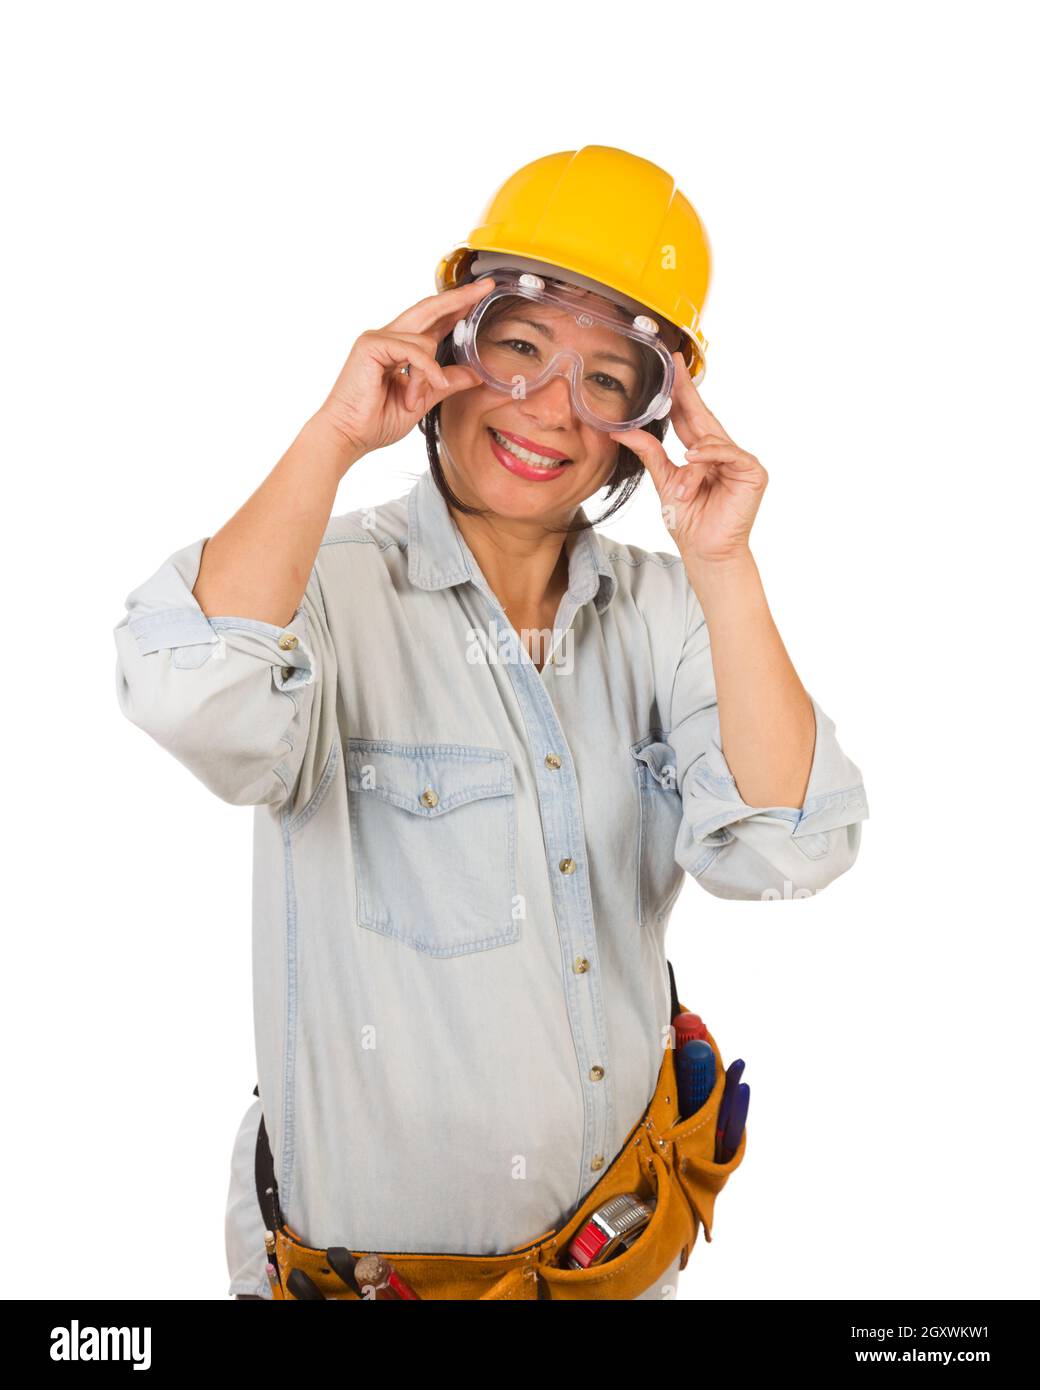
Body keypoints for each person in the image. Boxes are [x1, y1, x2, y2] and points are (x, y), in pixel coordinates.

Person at [112, 145, 868, 1301]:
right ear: (451, 346)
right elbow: (184, 692)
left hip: (617, 1273)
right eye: (518, 347)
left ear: (644, 415)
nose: (551, 409)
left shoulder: (668, 610)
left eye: (607, 379)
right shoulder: (318, 581)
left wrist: (720, 562)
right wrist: (331, 435)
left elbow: (787, 846)